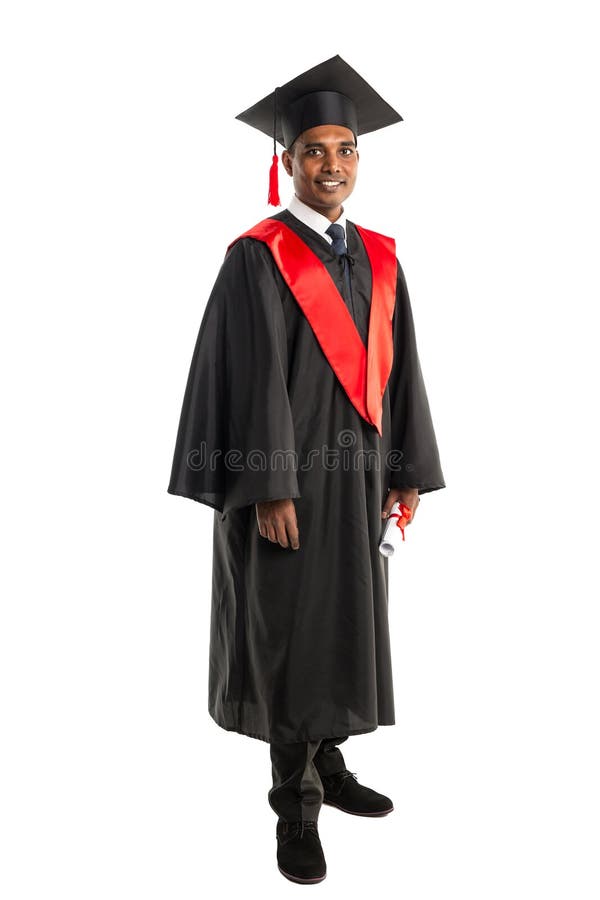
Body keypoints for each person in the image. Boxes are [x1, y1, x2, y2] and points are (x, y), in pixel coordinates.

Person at [167, 54, 446, 884]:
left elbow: (400, 372)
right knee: (287, 629)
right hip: (284, 486)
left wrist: (405, 469)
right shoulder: (258, 257)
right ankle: (293, 805)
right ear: (285, 160)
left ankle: (331, 761)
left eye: (346, 149)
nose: (332, 165)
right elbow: (248, 381)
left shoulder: (380, 257)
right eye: (315, 150)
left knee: (347, 622)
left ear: (360, 158)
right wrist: (267, 487)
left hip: (357, 477)